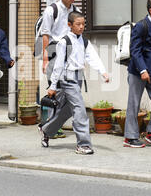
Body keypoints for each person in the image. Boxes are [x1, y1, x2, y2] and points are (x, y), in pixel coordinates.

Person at [38, 11, 110, 155]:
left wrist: (103, 72)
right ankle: (83, 145)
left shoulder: (84, 41)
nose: (81, 27)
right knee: (79, 109)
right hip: (67, 79)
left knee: (67, 110)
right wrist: (52, 86)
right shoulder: (64, 42)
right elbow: (58, 65)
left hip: (78, 78)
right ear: (70, 25)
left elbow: (92, 57)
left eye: (83, 24)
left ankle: (46, 130)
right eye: (78, 24)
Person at [124, 0, 151, 148]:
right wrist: (142, 69)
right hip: (137, 71)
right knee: (134, 104)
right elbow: (135, 50)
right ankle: (130, 137)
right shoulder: (141, 26)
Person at [40, 0, 78, 139]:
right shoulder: (51, 10)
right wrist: (45, 58)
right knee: (53, 89)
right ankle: (47, 124)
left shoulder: (75, 10)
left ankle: (53, 125)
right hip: (54, 51)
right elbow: (45, 34)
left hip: (69, 53)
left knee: (65, 91)